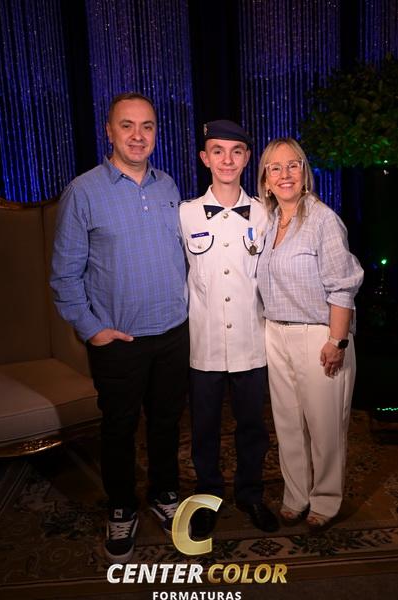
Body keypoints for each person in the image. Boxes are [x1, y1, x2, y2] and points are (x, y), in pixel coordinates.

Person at [50, 92, 189, 562]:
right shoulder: (83, 192)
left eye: (147, 126)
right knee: (119, 429)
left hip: (172, 332)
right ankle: (122, 506)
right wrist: (92, 330)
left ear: (156, 133)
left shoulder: (169, 186)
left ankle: (164, 493)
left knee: (167, 423)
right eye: (126, 125)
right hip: (118, 340)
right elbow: (64, 275)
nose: (137, 135)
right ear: (108, 131)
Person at [256, 137, 364, 530]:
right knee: (287, 424)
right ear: (266, 180)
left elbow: (343, 286)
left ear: (305, 173)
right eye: (275, 168)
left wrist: (337, 341)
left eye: (293, 165)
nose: (284, 174)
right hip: (276, 333)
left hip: (318, 336)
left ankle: (326, 500)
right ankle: (296, 495)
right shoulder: (269, 223)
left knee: (325, 427)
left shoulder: (323, 220)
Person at [180, 120, 279, 538]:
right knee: (203, 429)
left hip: (251, 342)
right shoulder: (184, 213)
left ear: (247, 158)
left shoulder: (266, 213)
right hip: (203, 344)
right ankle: (207, 497)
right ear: (205, 158)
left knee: (252, 427)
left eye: (236, 151)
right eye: (217, 151)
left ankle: (251, 494)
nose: (227, 159)